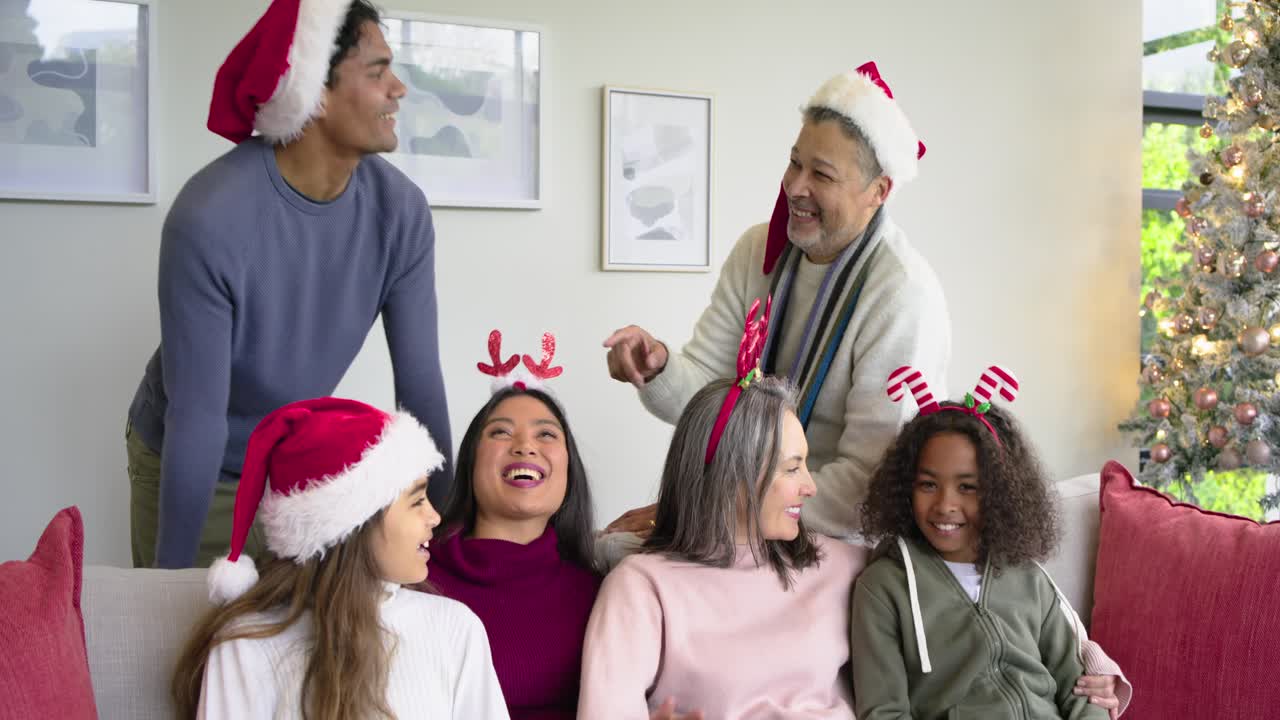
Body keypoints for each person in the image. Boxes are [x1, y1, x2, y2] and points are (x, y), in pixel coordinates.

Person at [127, 0, 452, 569]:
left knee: (297, 645)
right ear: (316, 93)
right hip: (190, 456)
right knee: (189, 639)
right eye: (377, 72)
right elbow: (197, 418)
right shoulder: (210, 217)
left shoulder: (401, 212)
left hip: (292, 464)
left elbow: (420, 384)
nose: (398, 88)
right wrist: (169, 584)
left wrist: (445, 529)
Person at [603, 61, 949, 542]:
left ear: (879, 191)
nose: (795, 186)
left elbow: (869, 484)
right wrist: (658, 366)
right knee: (611, 550)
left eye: (821, 174)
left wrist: (718, 508)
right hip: (748, 517)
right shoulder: (756, 250)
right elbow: (711, 395)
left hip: (836, 540)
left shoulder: (902, 293)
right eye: (795, 162)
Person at [582, 302, 868, 718]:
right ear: (734, 475)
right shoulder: (641, 588)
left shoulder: (844, 565)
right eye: (793, 468)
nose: (811, 486)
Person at [170, 397, 508, 720]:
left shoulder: (454, 628)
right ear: (355, 522)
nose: (435, 517)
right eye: (417, 500)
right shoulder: (247, 644)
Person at [851, 366, 1132, 719]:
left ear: (999, 493)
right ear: (904, 487)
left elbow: (1081, 689)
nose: (945, 504)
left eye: (967, 487)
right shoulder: (884, 589)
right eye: (927, 484)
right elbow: (883, 713)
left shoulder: (1029, 578)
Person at [425, 331, 602, 719]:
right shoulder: (414, 578)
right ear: (470, 462)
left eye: (546, 434)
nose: (525, 446)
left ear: (570, 469)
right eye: (501, 432)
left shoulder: (601, 592)